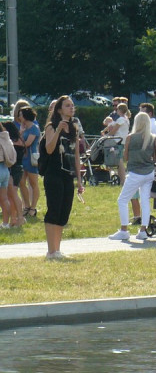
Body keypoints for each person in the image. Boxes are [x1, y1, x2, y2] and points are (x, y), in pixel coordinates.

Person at [39, 96, 85, 260]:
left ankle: (57, 250)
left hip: (68, 175)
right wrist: (58, 130)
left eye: (72, 105)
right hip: (54, 173)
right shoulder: (51, 126)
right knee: (54, 210)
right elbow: (49, 149)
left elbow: (76, 155)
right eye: (67, 105)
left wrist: (79, 180)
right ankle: (51, 251)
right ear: (59, 109)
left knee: (64, 213)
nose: (71, 108)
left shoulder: (74, 128)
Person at [108, 111, 156, 242]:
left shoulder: (131, 137)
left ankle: (124, 230)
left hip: (135, 172)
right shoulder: (152, 138)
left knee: (122, 200)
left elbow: (125, 157)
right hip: (149, 171)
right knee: (145, 201)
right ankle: (143, 230)